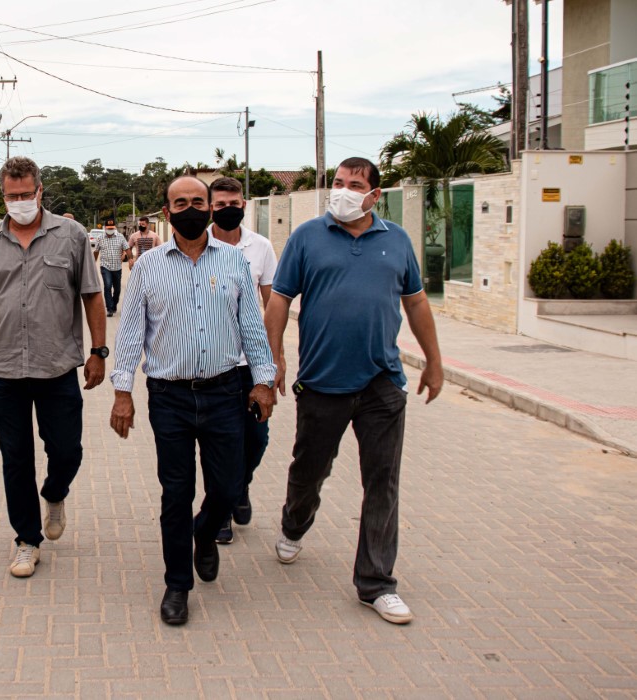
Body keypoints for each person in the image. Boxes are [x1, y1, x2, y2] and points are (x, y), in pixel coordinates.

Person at [264, 157, 443, 625]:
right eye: (338, 183)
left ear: (374, 195)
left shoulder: (397, 241)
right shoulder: (307, 236)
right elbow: (280, 298)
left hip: (382, 383)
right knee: (310, 470)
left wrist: (434, 362)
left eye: (354, 185)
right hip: (322, 383)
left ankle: (377, 583)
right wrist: (275, 359)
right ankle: (294, 523)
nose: (343, 191)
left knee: (382, 482)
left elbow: (417, 302)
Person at [110, 175, 276, 626]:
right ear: (166, 212)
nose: (190, 208)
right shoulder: (146, 267)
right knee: (176, 494)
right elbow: (129, 334)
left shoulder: (236, 263)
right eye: (179, 202)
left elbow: (252, 329)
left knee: (228, 487)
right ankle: (177, 584)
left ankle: (205, 533)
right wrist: (122, 391)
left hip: (226, 392)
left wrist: (264, 380)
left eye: (197, 201)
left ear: (209, 206)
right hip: (170, 397)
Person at [0, 156, 106, 578]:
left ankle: (55, 493)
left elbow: (93, 295)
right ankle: (26, 538)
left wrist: (99, 351)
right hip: (3, 371)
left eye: (25, 194)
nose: (18, 202)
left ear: (40, 192)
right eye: (10, 196)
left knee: (67, 451)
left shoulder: (71, 236)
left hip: (57, 368)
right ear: (2, 195)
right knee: (14, 457)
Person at [206, 176, 279, 545]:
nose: (227, 209)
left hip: (250, 363)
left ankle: (240, 486)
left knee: (256, 438)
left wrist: (273, 362)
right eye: (219, 205)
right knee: (220, 442)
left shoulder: (260, 247)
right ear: (210, 207)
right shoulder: (195, 245)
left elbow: (273, 306)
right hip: (213, 365)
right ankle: (219, 512)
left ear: (244, 203)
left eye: (233, 203)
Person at [96, 218, 129, 317]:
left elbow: (127, 248)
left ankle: (114, 304)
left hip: (117, 267)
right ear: (105, 227)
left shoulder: (120, 237)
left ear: (114, 227)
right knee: (107, 286)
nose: (110, 229)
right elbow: (96, 251)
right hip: (105, 266)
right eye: (108, 227)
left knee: (117, 289)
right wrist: (93, 263)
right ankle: (109, 308)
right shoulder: (100, 238)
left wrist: (130, 259)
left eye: (112, 228)